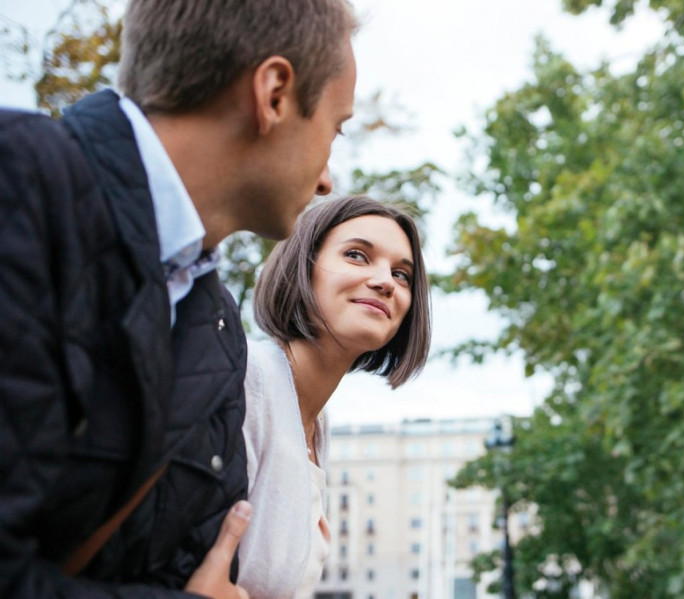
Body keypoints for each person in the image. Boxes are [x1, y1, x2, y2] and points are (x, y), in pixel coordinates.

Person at [0, 0, 357, 597]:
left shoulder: (215, 324)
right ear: (273, 94)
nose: (328, 178)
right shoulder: (21, 190)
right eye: (335, 127)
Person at [237, 195, 432, 598]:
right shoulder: (247, 381)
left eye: (402, 275)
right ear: (302, 268)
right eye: (358, 255)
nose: (385, 282)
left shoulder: (317, 425)